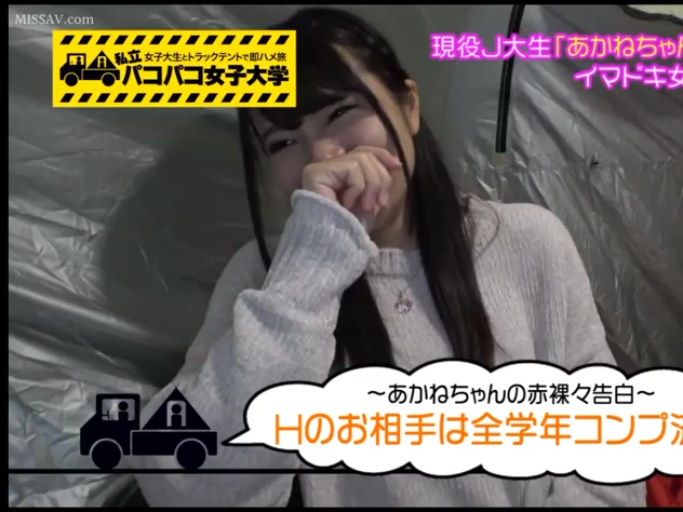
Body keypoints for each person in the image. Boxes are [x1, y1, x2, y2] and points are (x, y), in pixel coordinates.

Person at [132, 7, 645, 508]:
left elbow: (606, 452)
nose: (323, 158)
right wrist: (314, 263)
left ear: (409, 107)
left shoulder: (528, 242)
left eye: (340, 113)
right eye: (284, 141)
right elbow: (181, 485)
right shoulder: (266, 275)